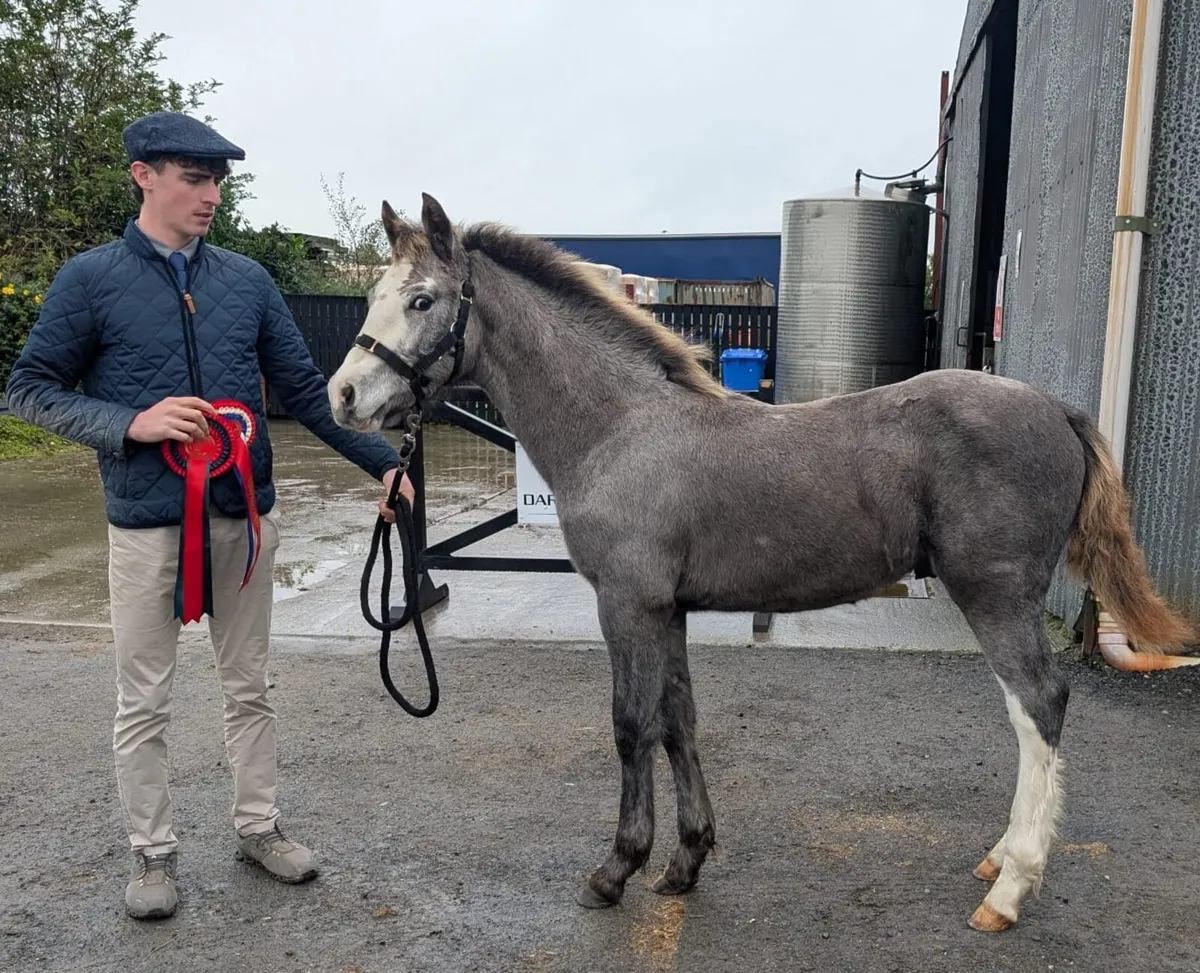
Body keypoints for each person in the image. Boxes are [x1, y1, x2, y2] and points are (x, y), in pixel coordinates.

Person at [4, 110, 414, 920]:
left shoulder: (247, 280)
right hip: (147, 524)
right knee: (144, 697)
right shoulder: (89, 280)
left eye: (218, 178)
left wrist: (385, 463)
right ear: (143, 175)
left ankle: (259, 827)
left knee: (251, 685)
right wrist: (130, 424)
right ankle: (152, 854)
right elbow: (28, 388)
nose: (211, 193)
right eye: (194, 176)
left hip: (244, 520)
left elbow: (303, 392)